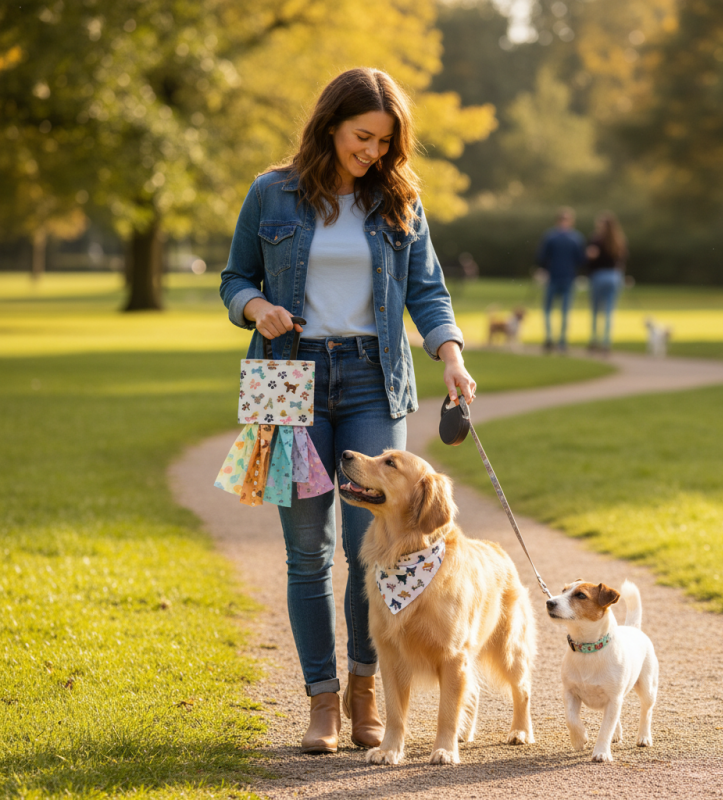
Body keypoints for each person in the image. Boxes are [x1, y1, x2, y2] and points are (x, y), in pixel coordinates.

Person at [219, 68, 476, 755]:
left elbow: (429, 291)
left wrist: (450, 355)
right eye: (363, 137)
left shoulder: (398, 200)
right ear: (330, 124)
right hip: (288, 376)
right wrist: (256, 307)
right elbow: (234, 276)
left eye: (385, 142)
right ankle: (322, 703)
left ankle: (369, 693)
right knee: (308, 553)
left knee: (383, 553)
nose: (373, 152)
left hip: (372, 379)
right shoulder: (270, 192)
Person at [535, 207, 586, 352]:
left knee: (548, 310)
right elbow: (581, 260)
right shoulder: (576, 238)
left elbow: (541, 257)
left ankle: (550, 338)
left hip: (554, 277)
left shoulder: (550, 236)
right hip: (567, 277)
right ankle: (561, 340)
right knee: (564, 311)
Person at [586, 211, 627, 353]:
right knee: (609, 311)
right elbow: (622, 260)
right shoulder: (618, 240)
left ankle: (594, 339)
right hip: (615, 276)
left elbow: (590, 258)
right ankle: (606, 341)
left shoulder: (596, 240)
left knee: (596, 310)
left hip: (599, 276)